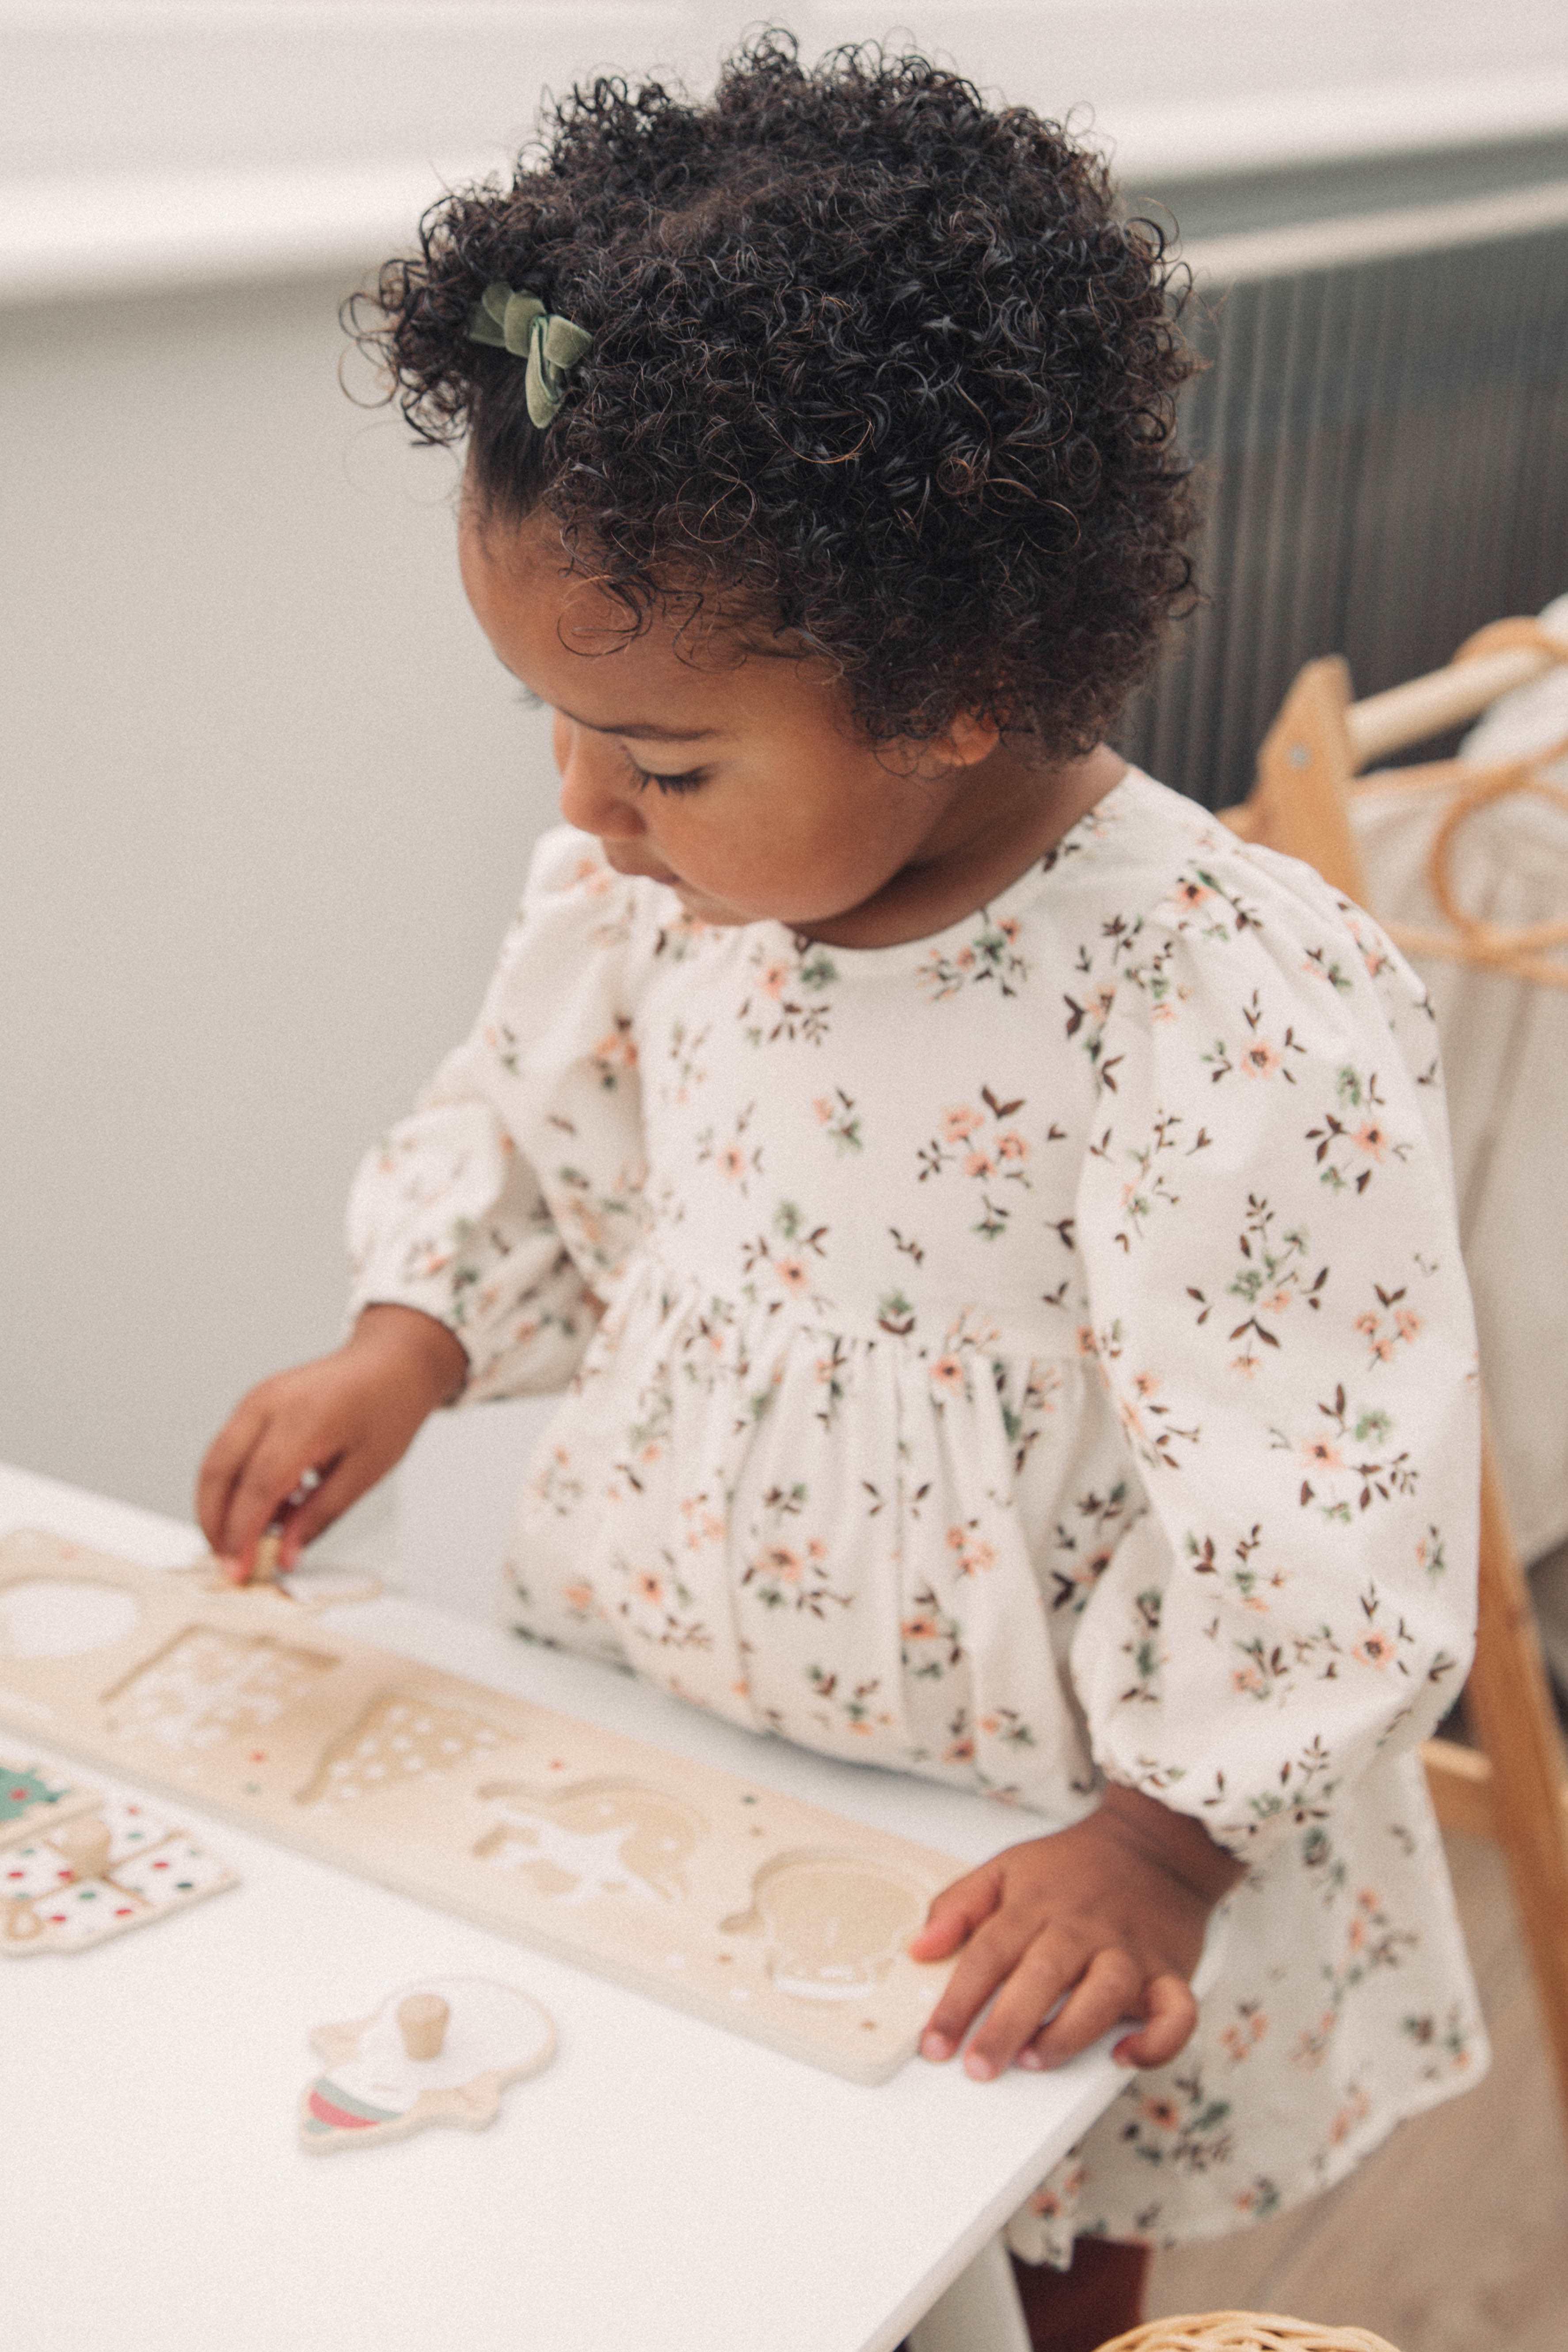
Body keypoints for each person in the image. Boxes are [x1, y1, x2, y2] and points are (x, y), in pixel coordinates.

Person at [197, 37, 1486, 2348]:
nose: (591, 803)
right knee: (709, 2203)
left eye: (666, 752)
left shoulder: (1215, 1002)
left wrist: (1164, 1848)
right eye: (557, 729)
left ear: (961, 682)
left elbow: (1321, 1479)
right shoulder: (656, 900)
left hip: (1053, 1831)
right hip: (690, 1716)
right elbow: (547, 1145)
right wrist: (411, 1338)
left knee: (1031, 2213)